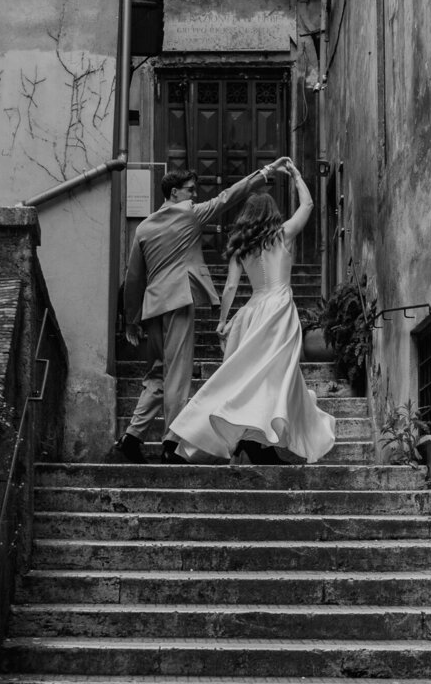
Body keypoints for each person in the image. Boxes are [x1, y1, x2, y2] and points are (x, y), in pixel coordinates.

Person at [165, 157, 336, 465]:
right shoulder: (282, 234)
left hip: (254, 310)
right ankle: (256, 442)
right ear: (272, 214)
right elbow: (308, 205)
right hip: (279, 310)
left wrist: (223, 321)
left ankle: (255, 442)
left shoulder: (241, 245)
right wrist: (296, 175)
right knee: (274, 376)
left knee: (252, 378)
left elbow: (231, 287)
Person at [116, 160, 282, 462]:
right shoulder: (190, 214)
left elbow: (134, 278)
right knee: (177, 375)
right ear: (174, 192)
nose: (194, 195)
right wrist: (265, 173)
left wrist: (131, 320)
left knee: (157, 373)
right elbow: (229, 196)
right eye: (190, 190)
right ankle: (172, 444)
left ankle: (131, 436)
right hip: (178, 301)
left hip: (153, 306)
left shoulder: (143, 227)